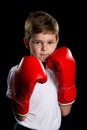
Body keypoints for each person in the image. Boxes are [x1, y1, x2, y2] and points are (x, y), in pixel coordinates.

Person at [6, 11, 77, 130]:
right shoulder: (16, 72)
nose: (44, 48)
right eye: (38, 42)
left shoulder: (59, 70)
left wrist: (67, 85)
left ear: (57, 42)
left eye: (50, 42)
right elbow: (20, 117)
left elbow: (65, 112)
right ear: (27, 43)